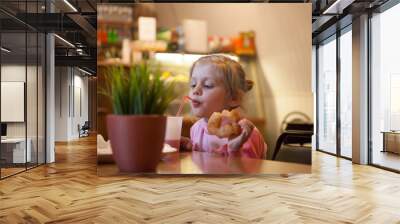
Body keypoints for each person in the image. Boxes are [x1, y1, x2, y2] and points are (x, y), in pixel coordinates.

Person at [181, 55, 266, 159]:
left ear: (234, 98)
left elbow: (247, 171)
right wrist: (188, 148)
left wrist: (234, 149)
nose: (195, 90)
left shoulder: (244, 133)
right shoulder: (196, 128)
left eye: (208, 85)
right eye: (193, 84)